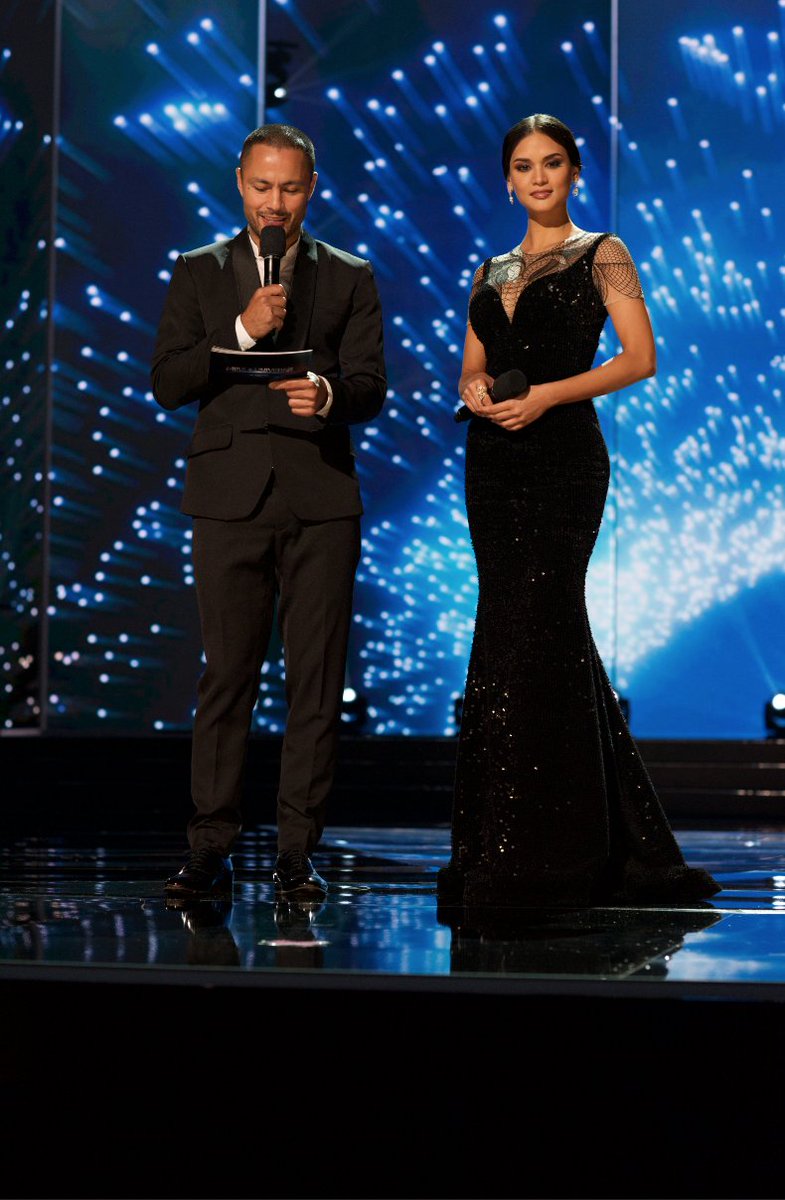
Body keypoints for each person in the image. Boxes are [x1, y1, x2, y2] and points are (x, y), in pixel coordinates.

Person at [438, 113, 719, 908]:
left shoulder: (604, 253)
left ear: (573, 172)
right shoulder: (488, 268)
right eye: (523, 166)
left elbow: (639, 358)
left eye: (552, 163)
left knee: (542, 622)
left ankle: (546, 850)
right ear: (507, 180)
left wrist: (546, 398)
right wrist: (473, 389)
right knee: (512, 632)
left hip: (562, 460)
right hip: (492, 462)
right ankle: (529, 836)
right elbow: (471, 364)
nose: (538, 177)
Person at [151, 123, 387, 904]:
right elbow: (169, 381)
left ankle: (294, 852)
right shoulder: (198, 270)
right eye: (261, 186)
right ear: (239, 183)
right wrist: (243, 330)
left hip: (320, 498)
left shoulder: (348, 274)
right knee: (227, 678)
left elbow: (370, 386)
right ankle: (209, 847)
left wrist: (327, 394)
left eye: (289, 188)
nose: (274, 203)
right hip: (228, 499)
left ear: (310, 189)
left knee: (315, 684)